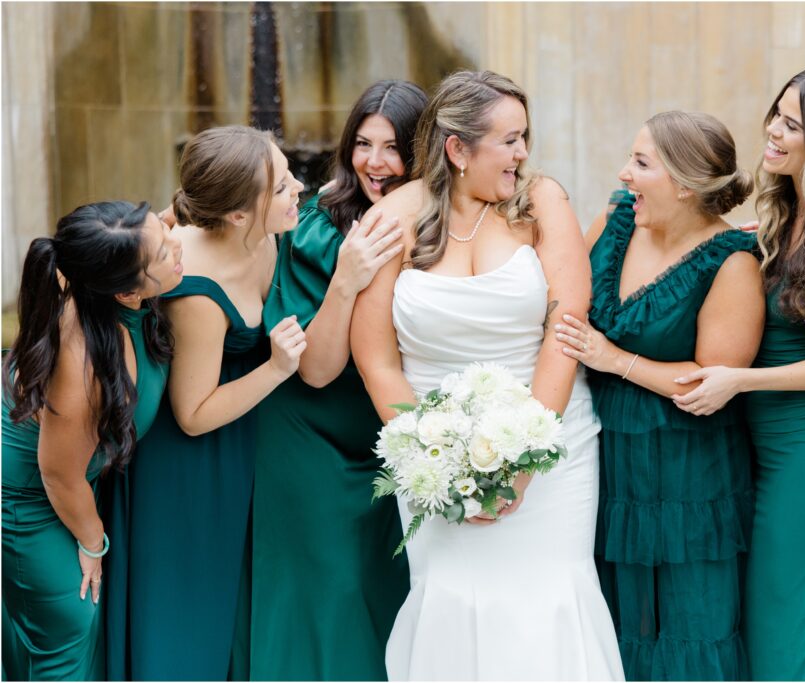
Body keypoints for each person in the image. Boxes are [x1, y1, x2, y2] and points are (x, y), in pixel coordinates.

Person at [351, 70, 624, 680]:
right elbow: (376, 358)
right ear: (458, 148)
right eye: (509, 140)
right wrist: (433, 459)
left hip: (552, 444)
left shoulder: (541, 201)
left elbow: (566, 330)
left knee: (547, 599)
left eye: (524, 137)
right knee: (448, 598)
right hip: (433, 454)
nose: (523, 153)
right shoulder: (395, 217)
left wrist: (525, 462)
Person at [674, 65, 805, 680]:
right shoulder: (780, 218)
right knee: (766, 620)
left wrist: (740, 381)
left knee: (796, 623)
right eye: (776, 114)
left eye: (794, 124)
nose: (773, 131)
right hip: (765, 445)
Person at [559, 111, 763, 680]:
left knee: (687, 619)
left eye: (642, 163)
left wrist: (613, 359)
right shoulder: (615, 220)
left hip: (687, 471)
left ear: (686, 183)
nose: (625, 173)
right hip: (597, 454)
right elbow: (558, 303)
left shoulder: (730, 262)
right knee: (607, 612)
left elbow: (711, 384)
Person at [113, 126, 306, 680]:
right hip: (190, 466)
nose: (299, 188)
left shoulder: (264, 230)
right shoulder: (195, 288)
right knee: (191, 613)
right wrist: (275, 367)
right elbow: (192, 415)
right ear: (240, 214)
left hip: (246, 441)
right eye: (283, 184)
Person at [249, 79, 422, 680]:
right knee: (330, 590)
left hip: (397, 435)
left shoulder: (446, 228)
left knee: (391, 588)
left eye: (394, 147)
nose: (376, 162)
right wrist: (347, 277)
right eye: (364, 144)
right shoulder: (316, 228)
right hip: (309, 435)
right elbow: (316, 370)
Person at [2, 201, 181, 680]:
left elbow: (159, 223)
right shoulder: (82, 364)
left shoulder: (100, 264)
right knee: (72, 625)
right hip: (32, 500)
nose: (177, 245)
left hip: (70, 474)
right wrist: (92, 541)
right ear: (126, 293)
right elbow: (59, 475)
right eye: (164, 252)